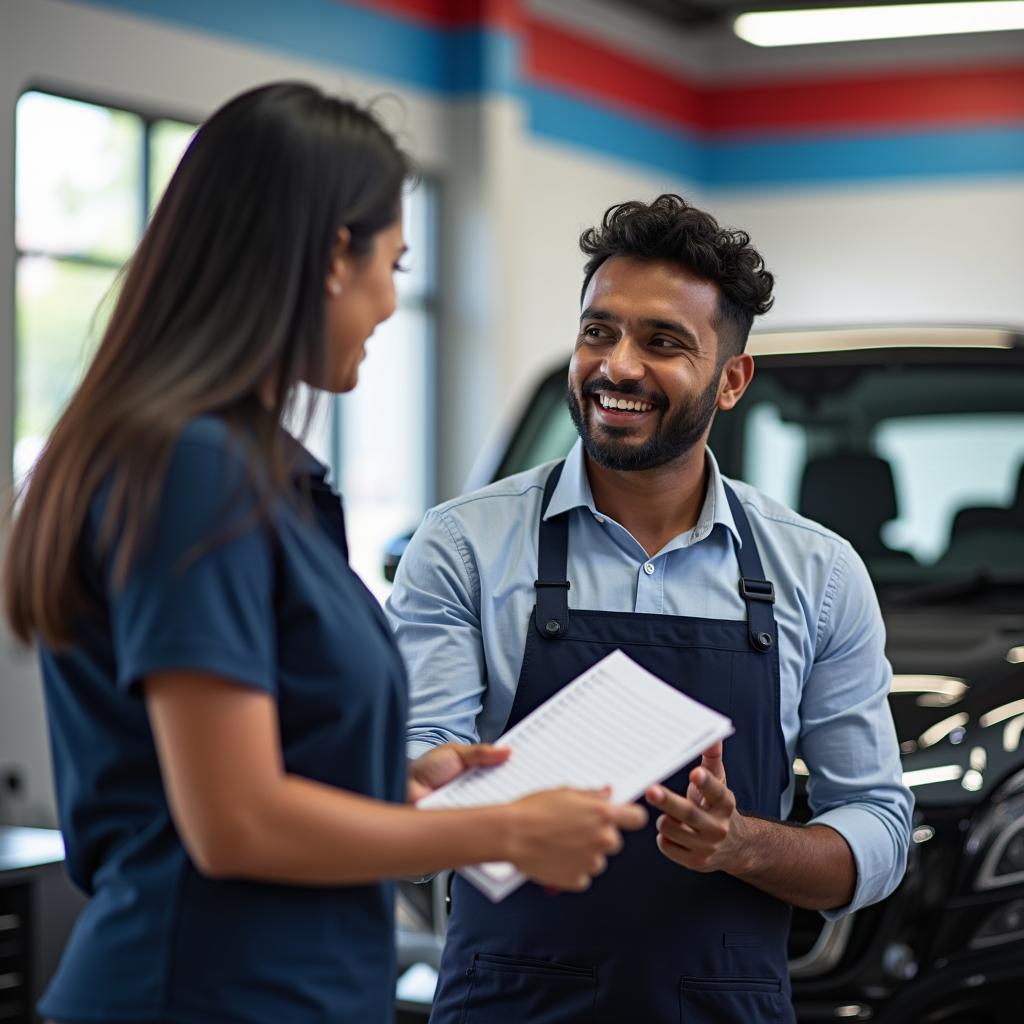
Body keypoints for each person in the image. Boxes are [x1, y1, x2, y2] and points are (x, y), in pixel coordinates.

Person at [2, 82, 647, 1024]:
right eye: (394, 263)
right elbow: (235, 822)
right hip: (198, 993)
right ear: (332, 258)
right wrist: (504, 830)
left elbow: (252, 755)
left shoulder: (256, 472)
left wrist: (399, 781)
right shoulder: (194, 467)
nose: (392, 302)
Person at [387, 194, 914, 1024]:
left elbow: (878, 826)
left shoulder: (819, 574)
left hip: (723, 1007)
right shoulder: (463, 546)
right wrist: (422, 786)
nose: (618, 366)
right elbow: (422, 755)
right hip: (507, 1005)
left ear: (731, 380)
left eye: (662, 342)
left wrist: (744, 845)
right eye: (599, 331)